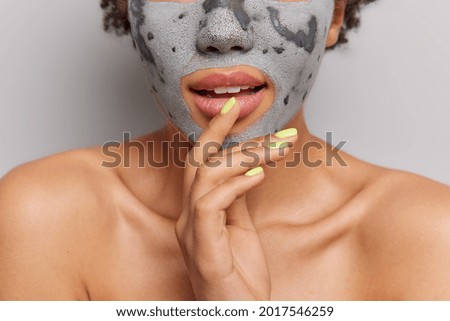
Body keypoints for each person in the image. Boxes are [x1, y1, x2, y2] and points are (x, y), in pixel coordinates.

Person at [0, 0, 449, 301]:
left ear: (335, 14)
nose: (222, 32)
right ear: (128, 11)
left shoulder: (432, 237)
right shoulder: (42, 217)